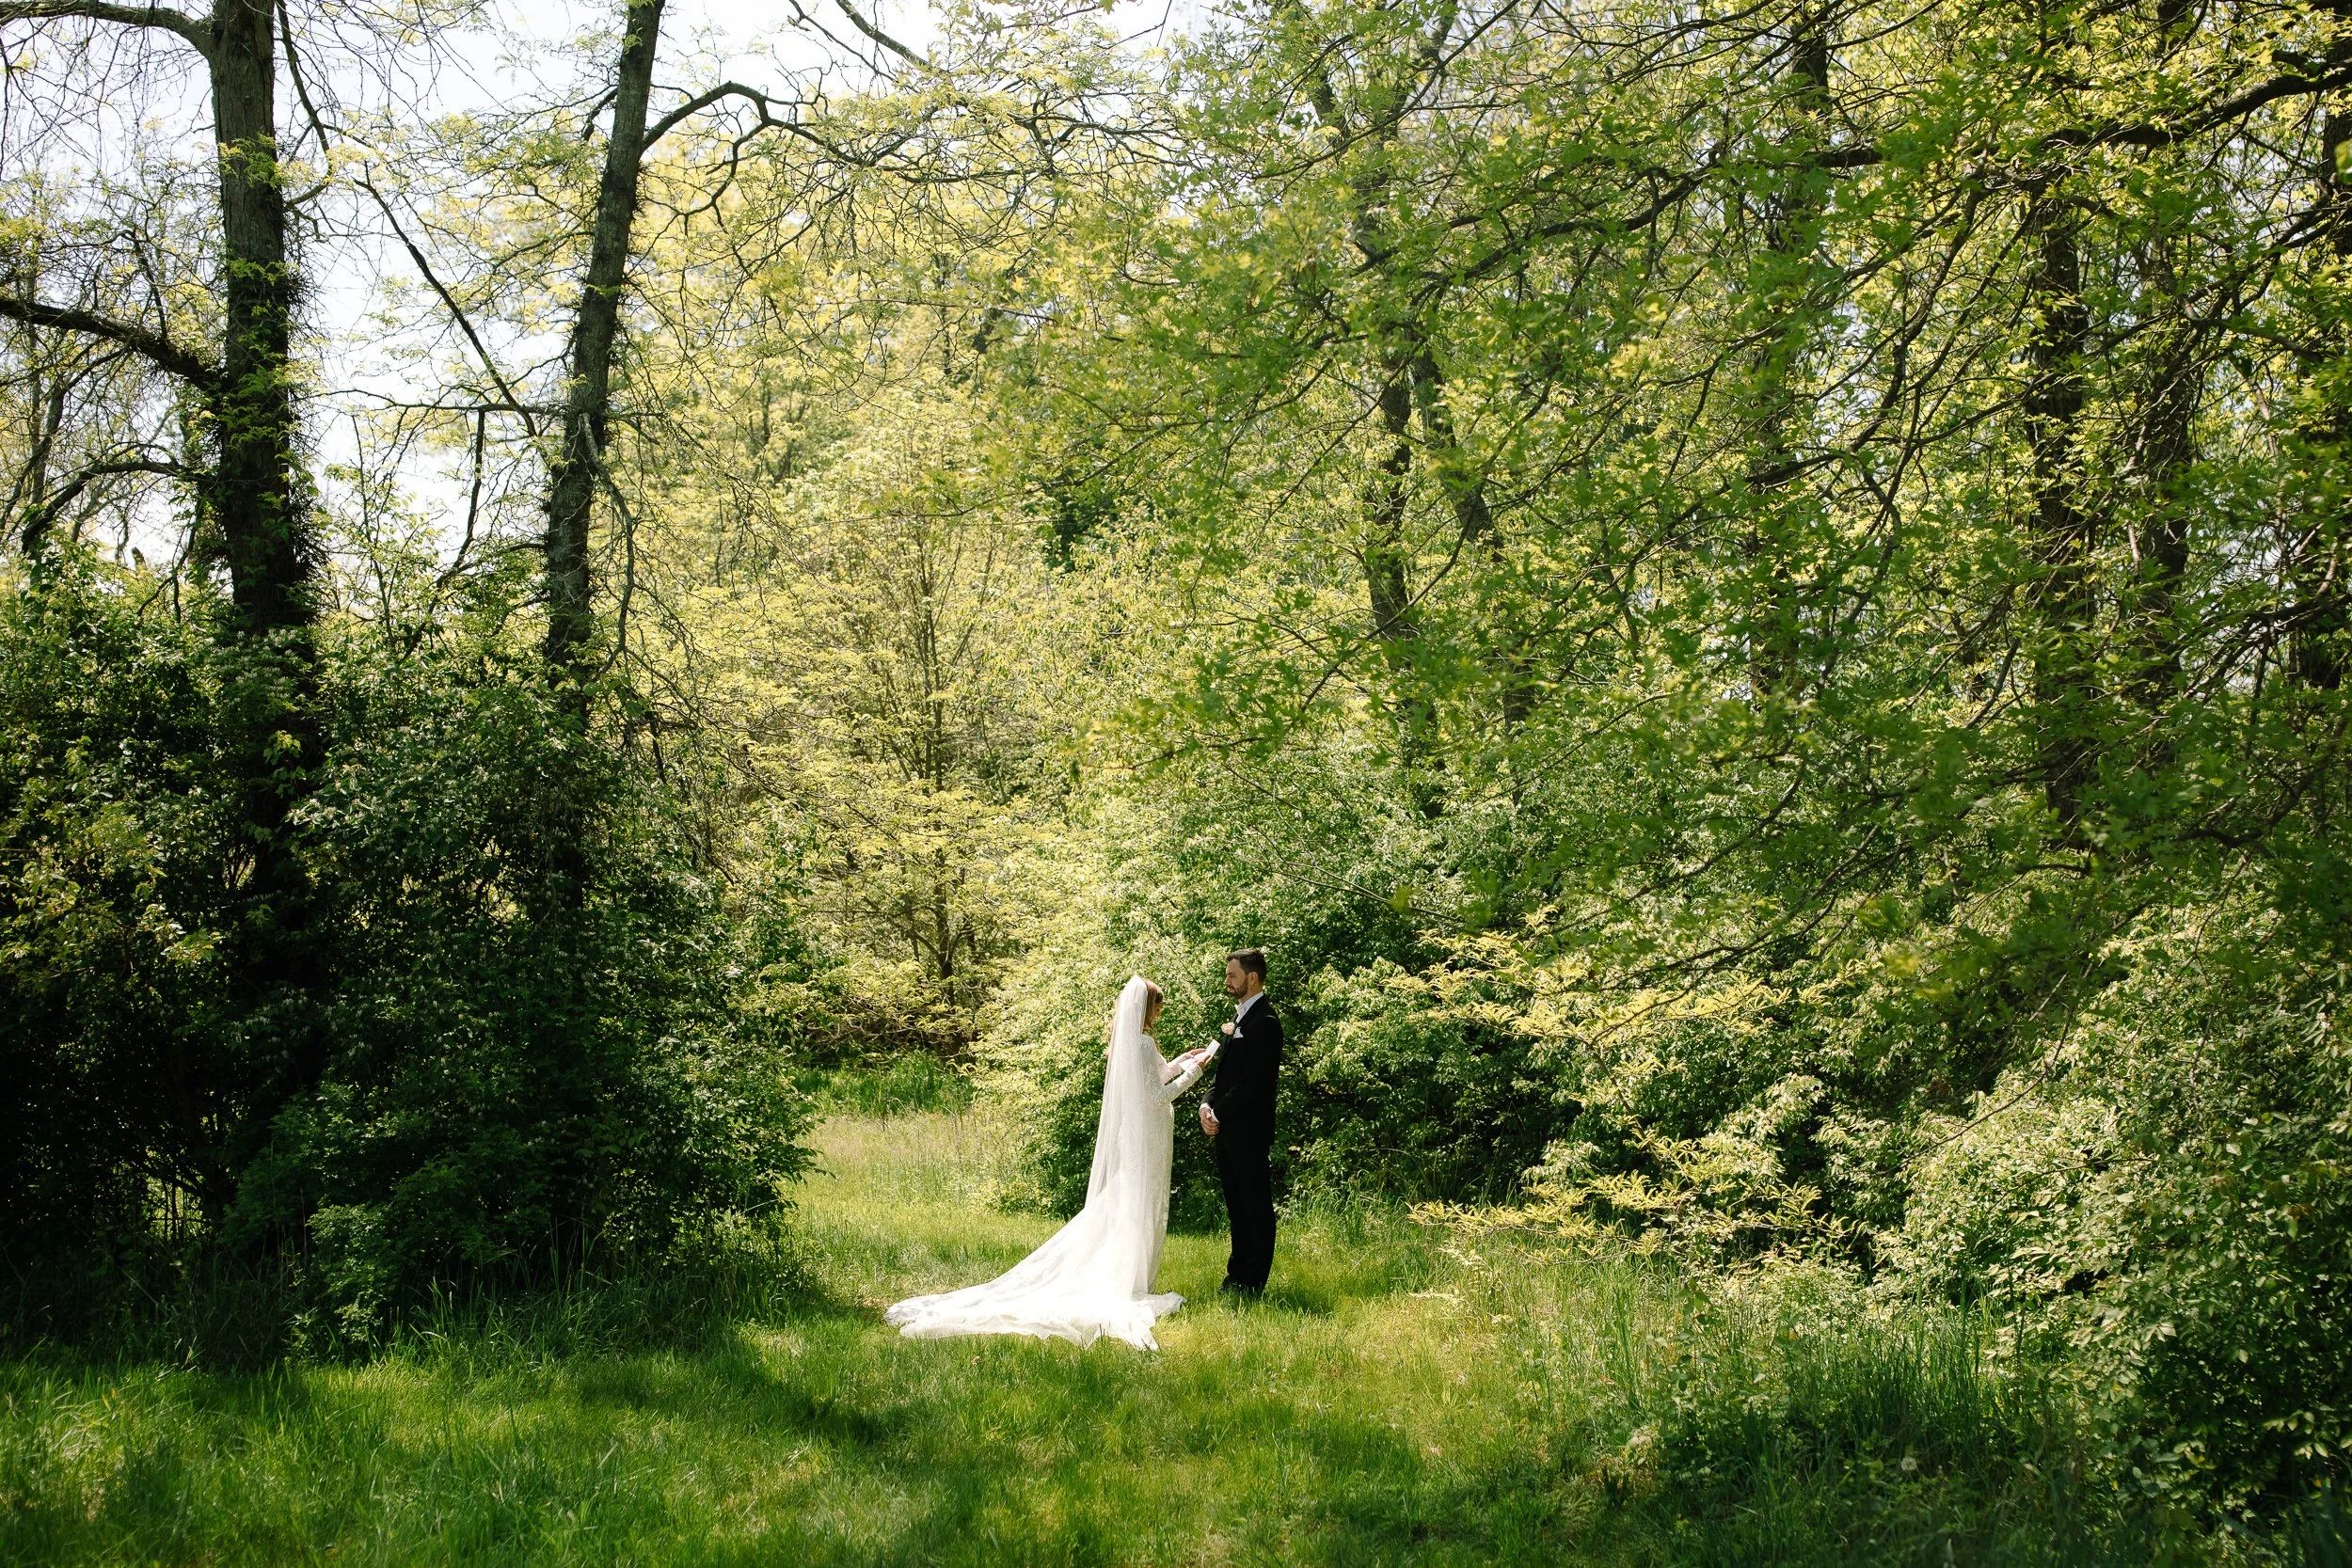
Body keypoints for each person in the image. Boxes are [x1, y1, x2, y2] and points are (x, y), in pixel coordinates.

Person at [884, 977, 1215, 1350]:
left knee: (1131, 1206)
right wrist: (1196, 1072)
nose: (1159, 1012)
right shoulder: (1141, 1042)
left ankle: (1133, 1279)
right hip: (1146, 1139)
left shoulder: (1132, 1044)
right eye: (1158, 1005)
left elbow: (1151, 1078)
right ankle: (1132, 1284)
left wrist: (1181, 1062)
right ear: (1146, 1008)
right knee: (1139, 1207)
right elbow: (1157, 1094)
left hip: (1141, 1139)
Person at [1199, 947, 1281, 1295]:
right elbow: (1225, 1076)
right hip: (1227, 1129)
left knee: (1255, 1206)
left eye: (1232, 975)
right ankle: (1236, 1275)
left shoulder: (1265, 1021)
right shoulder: (1240, 1021)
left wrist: (1219, 1112)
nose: (1227, 981)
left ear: (1253, 977)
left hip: (1249, 1130)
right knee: (1236, 1205)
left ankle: (1253, 1282)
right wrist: (1206, 1105)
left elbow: (1253, 1082)